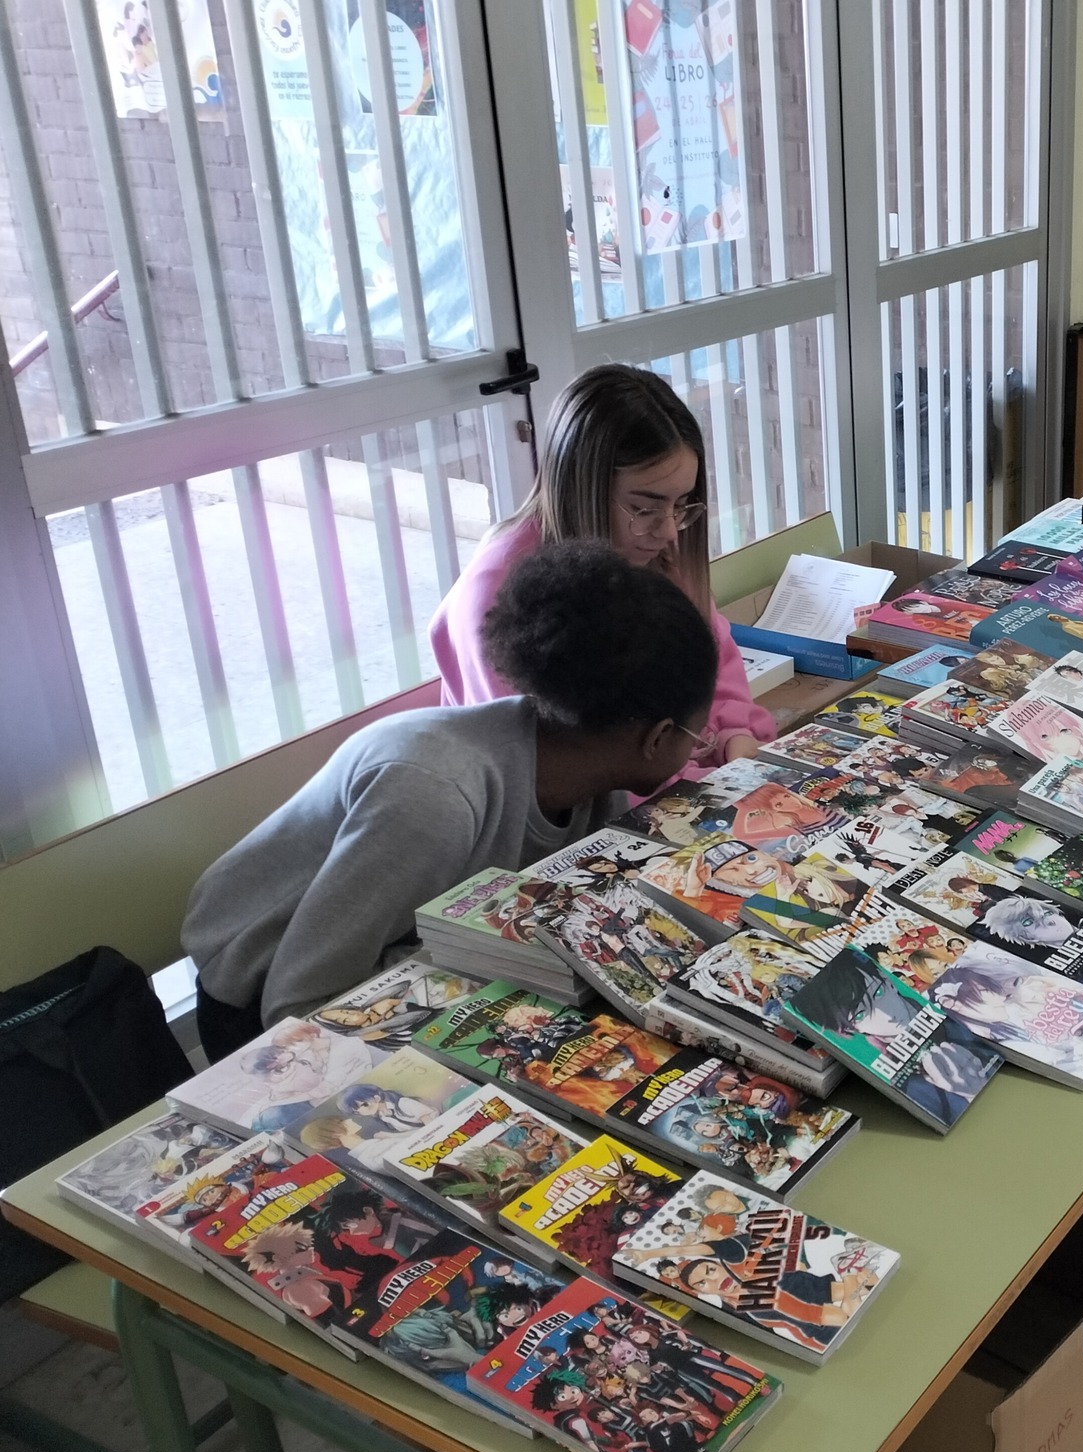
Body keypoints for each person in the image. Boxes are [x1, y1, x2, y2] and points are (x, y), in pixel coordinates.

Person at [183, 543, 719, 1058]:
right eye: (698, 735)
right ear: (657, 737)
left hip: (423, 963)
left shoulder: (590, 772)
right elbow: (301, 1007)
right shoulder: (434, 795)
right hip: (260, 1004)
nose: (701, 744)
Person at [428, 364, 775, 775]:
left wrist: (735, 736)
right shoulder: (499, 595)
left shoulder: (648, 547)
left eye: (681, 505)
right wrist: (692, 780)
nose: (668, 531)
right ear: (582, 489)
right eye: (644, 507)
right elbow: (556, 771)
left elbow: (712, 669)